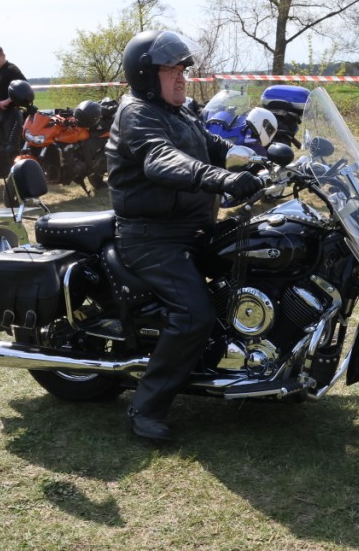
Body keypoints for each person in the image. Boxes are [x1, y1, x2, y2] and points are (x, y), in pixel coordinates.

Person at [105, 29, 262, 443]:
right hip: (152, 237)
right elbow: (162, 159)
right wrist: (222, 178)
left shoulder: (180, 111)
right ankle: (145, 408)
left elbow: (209, 143)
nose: (180, 77)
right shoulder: (137, 113)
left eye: (182, 69)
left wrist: (254, 161)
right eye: (170, 70)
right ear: (144, 75)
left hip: (191, 228)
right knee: (194, 314)